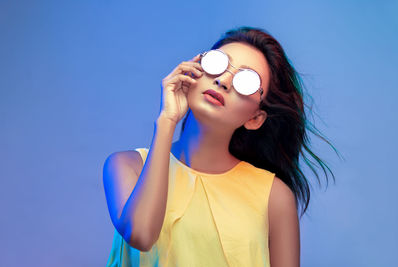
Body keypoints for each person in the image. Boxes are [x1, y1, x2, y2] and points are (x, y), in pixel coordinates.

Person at [103, 26, 337, 267]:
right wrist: (166, 122)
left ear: (255, 118)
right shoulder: (127, 165)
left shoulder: (274, 197)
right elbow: (140, 235)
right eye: (217, 63)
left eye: (246, 81)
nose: (223, 81)